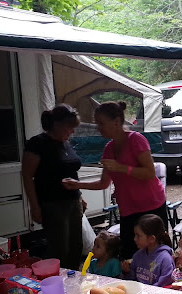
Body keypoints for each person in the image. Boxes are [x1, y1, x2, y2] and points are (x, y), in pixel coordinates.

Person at [62, 101, 167, 259]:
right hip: (128, 210)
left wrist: (121, 168)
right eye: (97, 123)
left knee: (156, 255)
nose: (98, 128)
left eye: (101, 123)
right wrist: (77, 185)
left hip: (150, 206)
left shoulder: (136, 140)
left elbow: (150, 173)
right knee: (130, 257)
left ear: (117, 122)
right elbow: (103, 183)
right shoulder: (109, 149)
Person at [22, 104, 84, 270]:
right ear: (58, 124)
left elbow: (71, 173)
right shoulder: (38, 143)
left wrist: (80, 196)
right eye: (70, 127)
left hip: (73, 202)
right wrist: (35, 206)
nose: (72, 132)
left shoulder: (66, 143)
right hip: (52, 204)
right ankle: (57, 280)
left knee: (76, 245)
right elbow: (27, 176)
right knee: (59, 248)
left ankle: (73, 278)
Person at [126, 214, 174, 287]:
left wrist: (147, 291)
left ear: (152, 239)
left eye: (138, 235)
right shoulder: (138, 255)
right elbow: (132, 280)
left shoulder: (165, 259)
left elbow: (165, 284)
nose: (135, 239)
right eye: (135, 235)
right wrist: (127, 272)